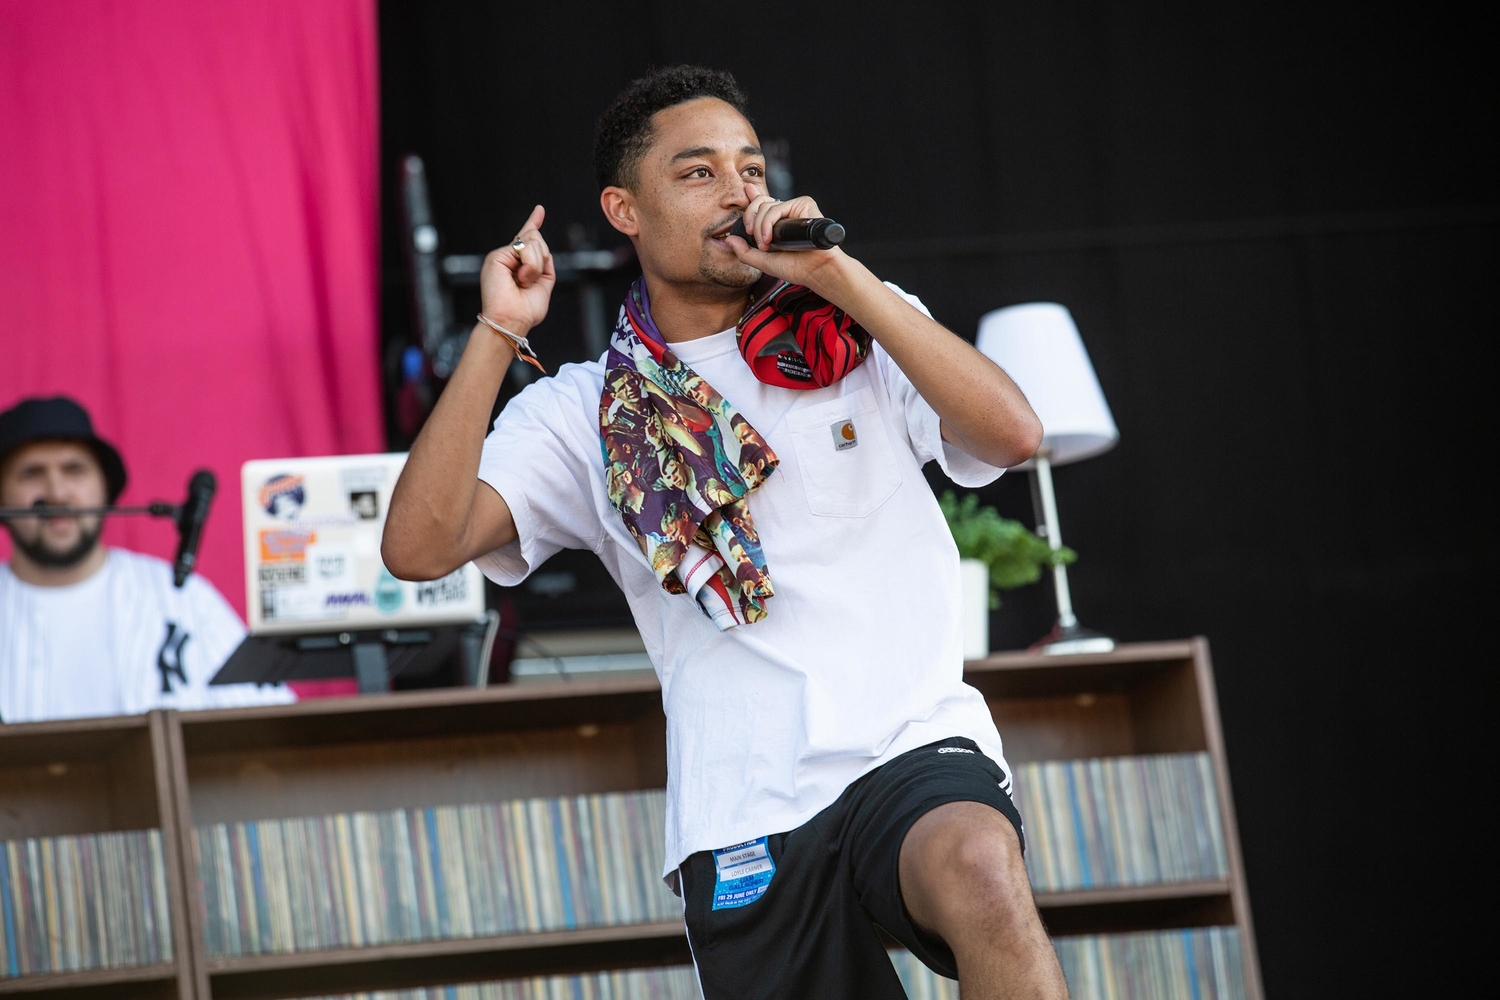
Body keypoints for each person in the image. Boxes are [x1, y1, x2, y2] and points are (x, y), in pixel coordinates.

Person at [383, 67, 1067, 999]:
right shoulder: (581, 410)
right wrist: (498, 333)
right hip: (743, 800)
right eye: (697, 172)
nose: (739, 190)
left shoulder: (855, 327)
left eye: (750, 167)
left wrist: (837, 274)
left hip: (910, 742)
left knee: (983, 874)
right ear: (624, 209)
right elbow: (419, 549)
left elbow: (1014, 435)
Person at [0, 396, 295, 723]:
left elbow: (276, 727)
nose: (56, 493)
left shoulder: (181, 598)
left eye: (74, 470)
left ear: (104, 487)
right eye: (31, 473)